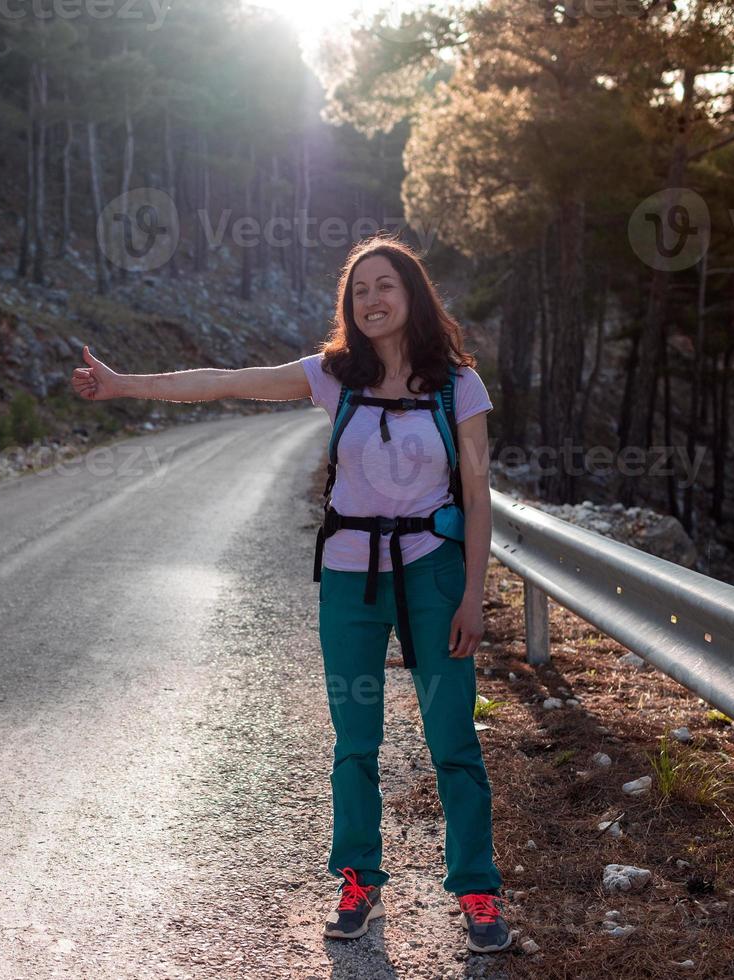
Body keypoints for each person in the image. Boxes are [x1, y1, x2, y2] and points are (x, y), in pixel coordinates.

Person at [70, 234, 511, 955]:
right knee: (353, 741)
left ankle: (476, 890)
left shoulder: (458, 385)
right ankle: (358, 880)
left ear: (412, 296)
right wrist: (125, 384)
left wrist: (472, 595)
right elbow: (221, 381)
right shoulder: (330, 376)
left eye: (384, 286)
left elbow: (476, 491)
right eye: (358, 289)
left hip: (432, 573)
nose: (370, 299)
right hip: (348, 574)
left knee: (452, 739)